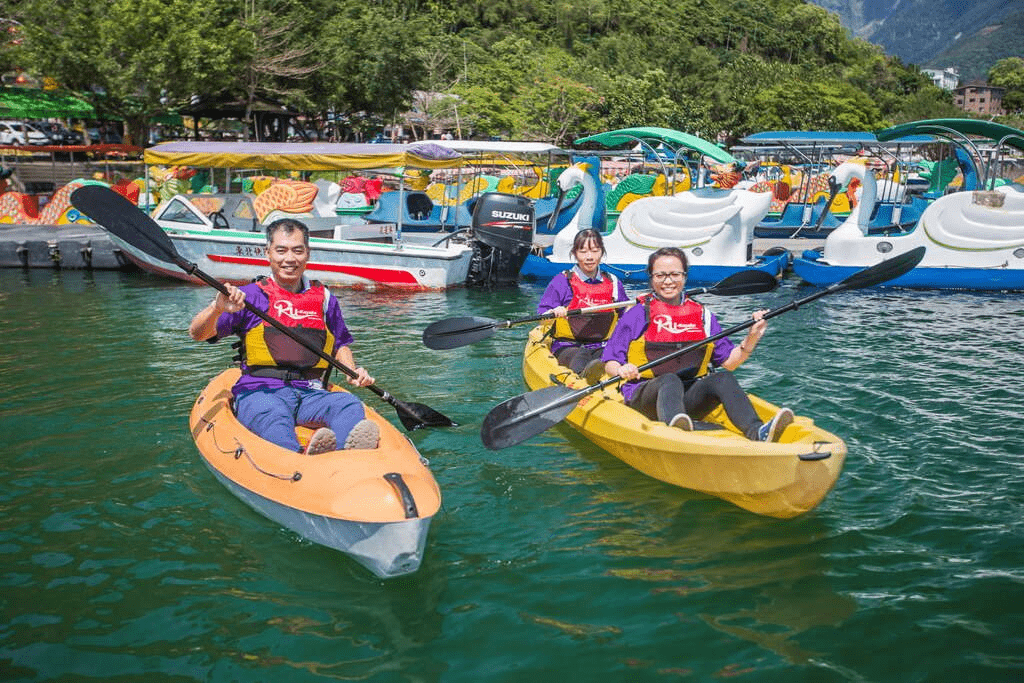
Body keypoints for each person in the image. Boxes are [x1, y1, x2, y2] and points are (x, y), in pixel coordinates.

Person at [189, 218, 379, 454]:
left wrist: (353, 371)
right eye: (281, 250)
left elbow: (340, 343)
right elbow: (197, 333)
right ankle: (299, 463)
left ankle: (346, 456)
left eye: (297, 251)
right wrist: (216, 308)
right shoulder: (249, 297)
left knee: (347, 404)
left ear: (308, 254)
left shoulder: (325, 299)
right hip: (261, 390)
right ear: (267, 253)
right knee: (273, 417)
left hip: (311, 392)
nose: (290, 259)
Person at [602, 247, 793, 442]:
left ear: (684, 277)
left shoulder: (703, 316)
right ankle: (675, 429)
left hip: (687, 401)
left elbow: (729, 363)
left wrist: (752, 336)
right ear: (651, 278)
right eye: (660, 275)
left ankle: (757, 431)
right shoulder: (636, 314)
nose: (668, 281)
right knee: (669, 379)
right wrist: (621, 369)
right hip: (645, 398)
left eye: (675, 274)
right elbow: (609, 361)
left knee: (723, 378)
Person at [536, 228, 629, 382]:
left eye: (594, 251)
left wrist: (638, 309)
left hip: (601, 345)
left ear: (602, 252)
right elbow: (542, 316)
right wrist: (553, 312)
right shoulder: (562, 281)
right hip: (567, 346)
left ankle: (606, 379)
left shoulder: (612, 282)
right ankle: (584, 382)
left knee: (607, 356)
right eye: (583, 251)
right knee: (581, 355)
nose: (589, 257)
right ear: (574, 253)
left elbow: (626, 317)